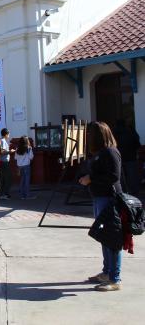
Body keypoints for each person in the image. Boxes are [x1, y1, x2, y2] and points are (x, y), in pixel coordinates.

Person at [79, 121, 123, 291]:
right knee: (104, 237)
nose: (87, 136)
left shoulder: (111, 152)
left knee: (112, 239)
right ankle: (107, 272)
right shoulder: (100, 153)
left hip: (109, 200)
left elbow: (113, 176)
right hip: (99, 198)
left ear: (98, 135)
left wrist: (91, 179)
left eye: (90, 133)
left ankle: (115, 278)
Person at [114, 119, 141, 196]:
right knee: (132, 176)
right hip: (131, 157)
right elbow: (137, 144)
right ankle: (134, 193)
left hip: (119, 157)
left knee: (120, 177)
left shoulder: (114, 132)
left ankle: (123, 193)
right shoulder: (131, 131)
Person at [0, 128, 15, 200]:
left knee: (4, 178)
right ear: (6, 134)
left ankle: (3, 193)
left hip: (4, 161)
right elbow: (2, 152)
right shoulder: (2, 140)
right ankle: (4, 194)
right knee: (6, 178)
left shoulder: (3, 140)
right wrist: (10, 151)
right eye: (8, 133)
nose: (9, 135)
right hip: (4, 162)